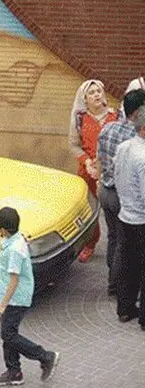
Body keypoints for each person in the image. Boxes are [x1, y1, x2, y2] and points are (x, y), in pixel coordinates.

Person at [0, 207, 60, 386]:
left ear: (4, 229)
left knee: (8, 335)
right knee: (9, 333)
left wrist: (3, 305)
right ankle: (14, 371)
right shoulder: (14, 240)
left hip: (15, 298)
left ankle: (45, 356)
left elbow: (14, 279)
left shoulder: (14, 250)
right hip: (15, 296)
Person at [97, 88, 145, 304]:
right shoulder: (134, 137)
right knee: (126, 248)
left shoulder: (108, 128)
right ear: (137, 112)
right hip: (124, 197)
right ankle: (120, 286)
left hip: (106, 191)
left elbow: (100, 159)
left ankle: (113, 283)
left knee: (114, 239)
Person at [68, 79, 117, 263]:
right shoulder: (80, 119)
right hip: (88, 172)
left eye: (99, 91)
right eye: (92, 92)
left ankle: (118, 246)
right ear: (85, 99)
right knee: (90, 211)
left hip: (112, 173)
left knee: (115, 210)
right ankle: (90, 243)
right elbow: (74, 145)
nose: (97, 94)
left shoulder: (116, 116)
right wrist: (87, 162)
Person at [113, 104, 145, 331]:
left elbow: (116, 175)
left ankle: (125, 309)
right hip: (141, 220)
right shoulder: (143, 158)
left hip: (125, 215)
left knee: (128, 265)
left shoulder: (124, 147)